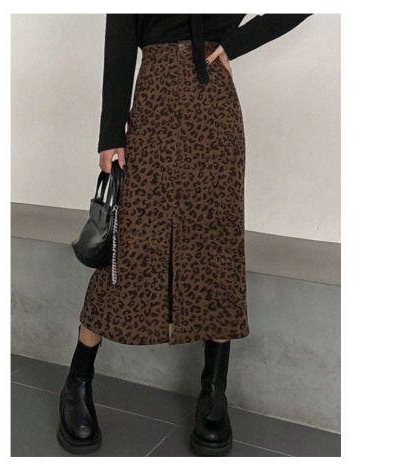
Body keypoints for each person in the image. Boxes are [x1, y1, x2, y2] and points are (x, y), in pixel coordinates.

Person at [57, 13, 313, 456]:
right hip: (152, 100)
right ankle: (77, 380)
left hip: (213, 104)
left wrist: (237, 42)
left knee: (216, 243)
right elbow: (120, 31)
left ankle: (214, 391)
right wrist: (110, 131)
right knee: (128, 246)